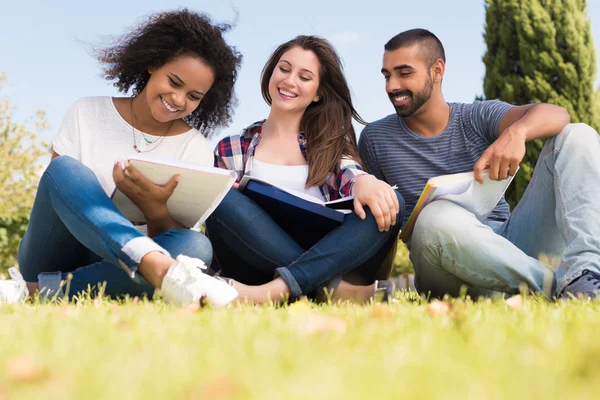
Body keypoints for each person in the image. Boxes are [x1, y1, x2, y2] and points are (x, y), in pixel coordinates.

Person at [0, 9, 241, 307]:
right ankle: (157, 268)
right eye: (174, 82)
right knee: (64, 169)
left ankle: (34, 291)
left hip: (114, 268)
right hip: (54, 253)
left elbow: (175, 238)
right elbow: (58, 193)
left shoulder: (195, 148)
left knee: (195, 245)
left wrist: (154, 209)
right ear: (153, 63)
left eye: (193, 96)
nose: (179, 100)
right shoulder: (86, 112)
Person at [358, 28, 600, 300]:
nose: (392, 86)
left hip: (510, 247)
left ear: (437, 71)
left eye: (404, 73)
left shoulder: (475, 116)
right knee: (434, 218)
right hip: (444, 263)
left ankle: (585, 275)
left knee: (577, 135)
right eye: (387, 75)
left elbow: (557, 114)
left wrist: (516, 133)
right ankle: (558, 286)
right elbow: (381, 227)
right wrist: (370, 283)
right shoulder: (375, 139)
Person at [207, 35, 404, 305]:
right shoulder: (232, 147)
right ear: (271, 72)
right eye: (284, 69)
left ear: (319, 92)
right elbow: (225, 228)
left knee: (393, 201)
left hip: (330, 256)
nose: (289, 81)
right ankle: (333, 290)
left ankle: (280, 292)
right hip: (254, 267)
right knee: (219, 196)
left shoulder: (333, 145)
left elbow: (352, 175)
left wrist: (364, 182)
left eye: (304, 77)